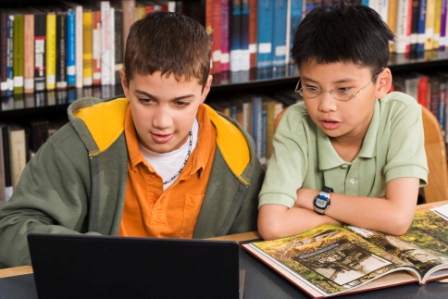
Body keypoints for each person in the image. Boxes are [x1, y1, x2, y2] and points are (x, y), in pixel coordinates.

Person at [0, 11, 264, 267]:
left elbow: (252, 252)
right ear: (125, 82)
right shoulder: (80, 143)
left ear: (206, 88)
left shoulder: (237, 155)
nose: (162, 121)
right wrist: (97, 256)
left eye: (181, 103)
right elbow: (10, 228)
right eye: (146, 100)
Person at [257, 3, 428, 240]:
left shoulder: (401, 112)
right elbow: (273, 225)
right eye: (311, 87)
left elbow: (398, 219)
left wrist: (309, 197)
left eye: (344, 89)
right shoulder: (296, 122)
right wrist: (352, 215)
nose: (326, 105)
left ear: (381, 84)